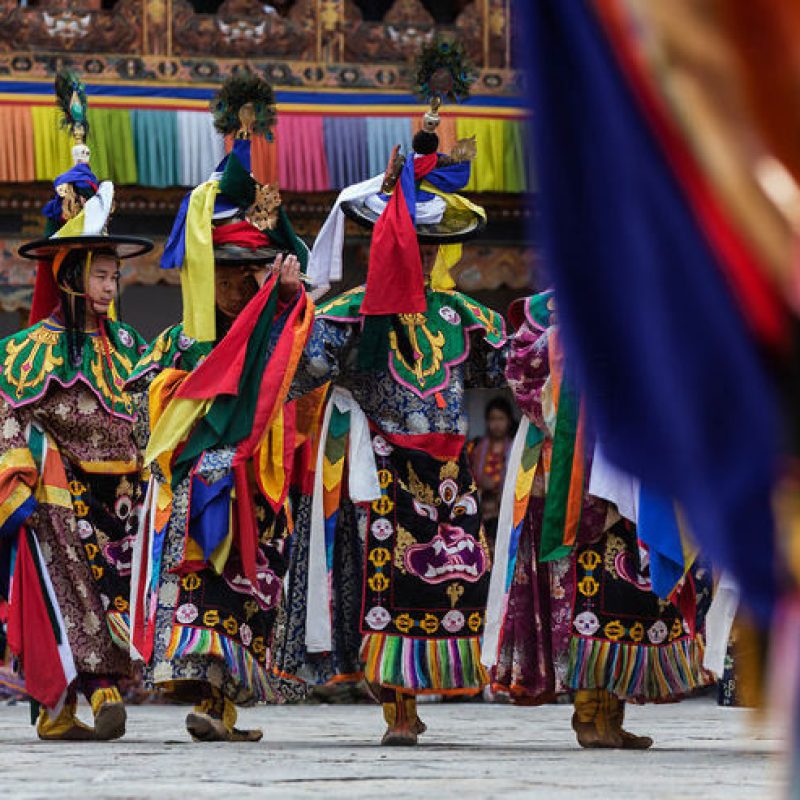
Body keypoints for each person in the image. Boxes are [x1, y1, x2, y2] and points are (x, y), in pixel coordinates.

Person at [273, 88, 508, 746]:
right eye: (416, 242)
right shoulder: (352, 315)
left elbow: (508, 370)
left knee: (452, 584)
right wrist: (291, 306)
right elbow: (298, 372)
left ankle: (425, 685)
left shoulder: (464, 316)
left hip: (453, 474)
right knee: (391, 583)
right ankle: (398, 704)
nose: (426, 256)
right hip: (384, 471)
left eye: (434, 246)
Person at [126, 74, 312, 742]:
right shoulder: (180, 340)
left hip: (257, 492)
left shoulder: (278, 332)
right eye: (229, 268)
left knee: (244, 595)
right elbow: (144, 408)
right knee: (206, 591)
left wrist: (286, 305)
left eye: (252, 270)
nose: (241, 281)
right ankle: (209, 700)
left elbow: (307, 372)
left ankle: (222, 705)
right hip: (198, 493)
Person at [482, 291, 712, 748]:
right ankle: (587, 714)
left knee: (631, 599)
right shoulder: (544, 314)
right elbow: (524, 374)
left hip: (637, 477)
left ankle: (612, 714)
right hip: (574, 482)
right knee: (586, 603)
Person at [0, 70, 153, 740]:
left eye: (116, 272)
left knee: (118, 594)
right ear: (68, 275)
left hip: (123, 495)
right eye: (100, 271)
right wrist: (23, 472)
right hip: (61, 498)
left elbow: (150, 407)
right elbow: (8, 413)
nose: (112, 281)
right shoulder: (31, 348)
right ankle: (80, 695)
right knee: (71, 593)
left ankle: (91, 694)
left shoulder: (129, 343)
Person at [467, 397, 515, 543]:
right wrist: (481, 482)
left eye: (501, 418)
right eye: (493, 419)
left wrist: (497, 486)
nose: (497, 424)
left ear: (509, 420)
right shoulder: (475, 447)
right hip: (480, 509)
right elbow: (467, 473)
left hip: (505, 510)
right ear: (487, 421)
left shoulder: (515, 448)